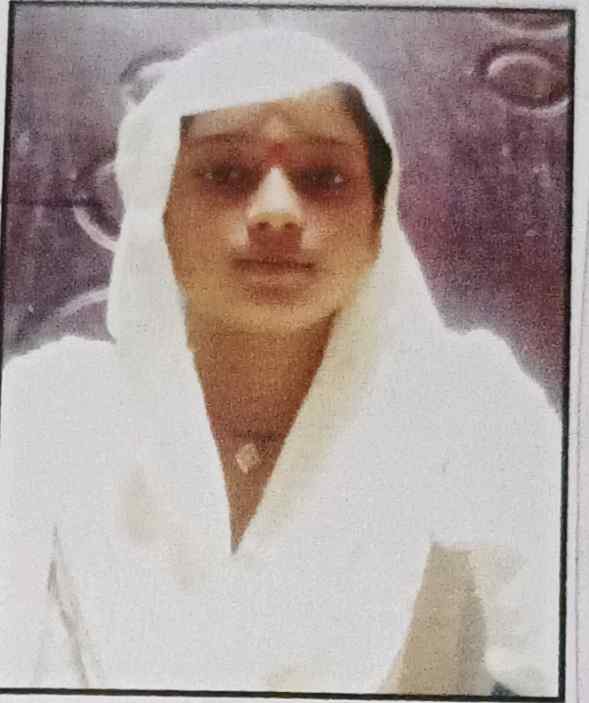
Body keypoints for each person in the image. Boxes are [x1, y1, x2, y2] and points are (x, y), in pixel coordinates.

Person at [0, 29, 561, 695]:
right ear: (158, 211)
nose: (275, 212)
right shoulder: (50, 411)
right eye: (225, 174)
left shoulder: (468, 407)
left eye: (323, 178)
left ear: (377, 222)